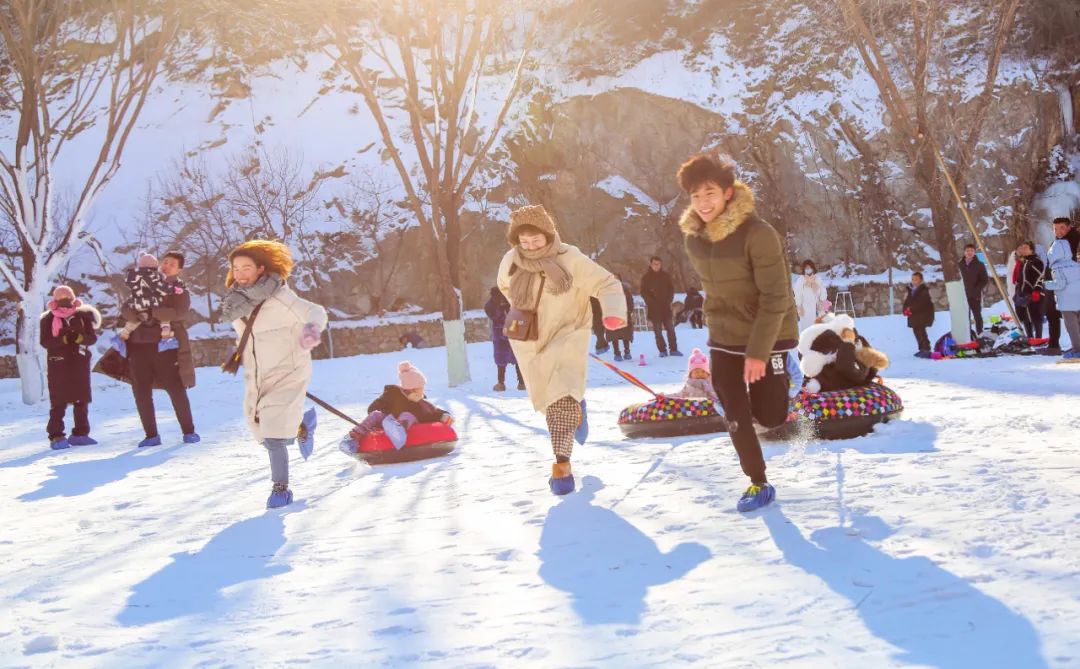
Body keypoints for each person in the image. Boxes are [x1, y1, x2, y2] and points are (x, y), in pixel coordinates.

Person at [676, 153, 798, 512]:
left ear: (728, 193)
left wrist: (759, 352)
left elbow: (776, 296)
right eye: (696, 196)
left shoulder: (759, 234)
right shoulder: (694, 239)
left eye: (710, 193)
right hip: (725, 335)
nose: (703, 203)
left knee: (771, 416)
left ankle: (785, 383)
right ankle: (758, 482)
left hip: (769, 332)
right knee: (733, 409)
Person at [496, 205, 626, 495]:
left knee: (560, 402)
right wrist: (524, 304)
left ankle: (562, 467)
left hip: (568, 334)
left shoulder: (570, 258)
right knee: (548, 399)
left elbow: (606, 283)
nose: (530, 247)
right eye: (524, 242)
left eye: (537, 241)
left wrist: (613, 312)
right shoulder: (511, 260)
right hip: (530, 340)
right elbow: (504, 286)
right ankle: (576, 405)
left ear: (549, 234)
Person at [221, 240, 328, 509]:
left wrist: (310, 332)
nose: (241, 273)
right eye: (236, 268)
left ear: (260, 269)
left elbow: (315, 311)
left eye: (247, 267)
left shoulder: (281, 295)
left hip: (289, 369)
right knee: (261, 427)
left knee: (272, 434)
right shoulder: (236, 303)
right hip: (258, 375)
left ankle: (280, 489)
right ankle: (303, 424)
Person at [122, 250, 199, 447]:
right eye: (165, 262)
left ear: (179, 270)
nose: (166, 266)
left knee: (175, 388)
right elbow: (126, 308)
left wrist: (153, 311)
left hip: (166, 346)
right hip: (139, 345)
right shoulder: (141, 282)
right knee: (140, 390)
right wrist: (136, 314)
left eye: (172, 264)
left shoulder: (179, 289)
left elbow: (180, 313)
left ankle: (189, 431)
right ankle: (151, 435)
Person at [340, 361, 453, 451]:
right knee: (375, 415)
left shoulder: (422, 403)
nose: (422, 391)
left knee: (407, 415)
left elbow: (434, 412)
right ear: (409, 388)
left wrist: (444, 416)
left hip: (405, 425)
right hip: (388, 421)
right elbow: (371, 409)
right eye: (420, 388)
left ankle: (397, 431)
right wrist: (385, 409)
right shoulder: (393, 394)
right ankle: (353, 438)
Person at [40, 285, 101, 450]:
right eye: (61, 297)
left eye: (68, 296)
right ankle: (56, 435)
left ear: (73, 298)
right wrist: (63, 340)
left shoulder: (82, 316)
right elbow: (45, 341)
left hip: (79, 362)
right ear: (54, 299)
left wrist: (80, 338)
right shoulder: (48, 318)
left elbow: (92, 338)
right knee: (59, 400)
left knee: (81, 399)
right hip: (58, 363)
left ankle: (81, 433)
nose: (64, 300)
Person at [1044, 227, 1080, 359]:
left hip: (1067, 302)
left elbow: (1060, 284)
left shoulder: (1057, 267)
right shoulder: (1075, 265)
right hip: (1078, 300)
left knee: (1072, 328)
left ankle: (1077, 350)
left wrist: (1046, 284)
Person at [120, 253, 173, 341]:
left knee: (136, 319)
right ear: (154, 266)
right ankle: (165, 331)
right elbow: (160, 287)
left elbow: (129, 285)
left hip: (137, 303)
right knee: (164, 314)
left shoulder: (133, 276)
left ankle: (125, 332)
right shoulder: (153, 275)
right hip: (153, 302)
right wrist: (170, 289)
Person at [484, 286, 525, 391]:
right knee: (501, 360)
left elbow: (518, 312)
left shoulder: (510, 300)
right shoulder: (490, 305)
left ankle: (521, 383)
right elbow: (493, 315)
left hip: (512, 332)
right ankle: (501, 383)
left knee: (518, 359)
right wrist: (501, 308)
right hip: (501, 335)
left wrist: (508, 306)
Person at [640, 256, 681, 357]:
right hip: (654, 308)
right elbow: (643, 292)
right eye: (654, 264)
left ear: (661, 264)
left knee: (670, 329)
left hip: (665, 307)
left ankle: (673, 349)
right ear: (651, 264)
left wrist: (669, 300)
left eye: (658, 264)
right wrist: (649, 301)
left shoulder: (665, 276)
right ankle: (662, 350)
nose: (656, 266)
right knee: (658, 331)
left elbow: (671, 289)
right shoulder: (646, 278)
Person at [1013, 241, 1045, 340]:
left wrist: (1037, 290)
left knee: (1035, 317)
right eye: (1022, 247)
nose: (1023, 249)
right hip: (1023, 294)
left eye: (1026, 247)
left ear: (1031, 249)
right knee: (1025, 317)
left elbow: (1041, 277)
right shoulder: (1023, 262)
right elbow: (1019, 278)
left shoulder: (1037, 262)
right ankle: (1030, 338)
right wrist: (1018, 290)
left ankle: (1038, 338)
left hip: (1034, 294)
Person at [958, 243, 988, 336]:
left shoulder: (979, 264)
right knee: (965, 316)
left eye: (971, 251)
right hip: (963, 295)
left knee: (977, 315)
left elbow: (984, 280)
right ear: (964, 252)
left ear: (974, 252)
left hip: (975, 295)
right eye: (967, 251)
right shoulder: (959, 265)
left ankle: (980, 333)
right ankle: (968, 334)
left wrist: (976, 289)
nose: (969, 252)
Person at [903, 271, 934, 357]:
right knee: (916, 332)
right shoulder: (910, 290)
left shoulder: (923, 290)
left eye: (916, 279)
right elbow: (907, 302)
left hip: (922, 315)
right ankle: (921, 348)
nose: (914, 281)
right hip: (914, 316)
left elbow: (922, 303)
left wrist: (911, 309)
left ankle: (926, 348)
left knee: (921, 332)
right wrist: (905, 310)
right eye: (913, 279)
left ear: (921, 280)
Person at [793, 259, 828, 333]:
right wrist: (799, 305)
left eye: (809, 267)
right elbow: (797, 293)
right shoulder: (801, 280)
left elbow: (823, 291)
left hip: (818, 306)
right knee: (807, 330)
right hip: (806, 307)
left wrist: (822, 301)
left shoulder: (817, 279)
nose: (808, 269)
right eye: (806, 268)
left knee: (819, 329)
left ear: (813, 268)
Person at [610, 274, 635, 361]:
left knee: (626, 334)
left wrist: (629, 311)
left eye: (616, 279)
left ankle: (627, 351)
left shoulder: (625, 290)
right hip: (612, 315)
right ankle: (617, 353)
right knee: (614, 335)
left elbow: (630, 301)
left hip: (624, 314)